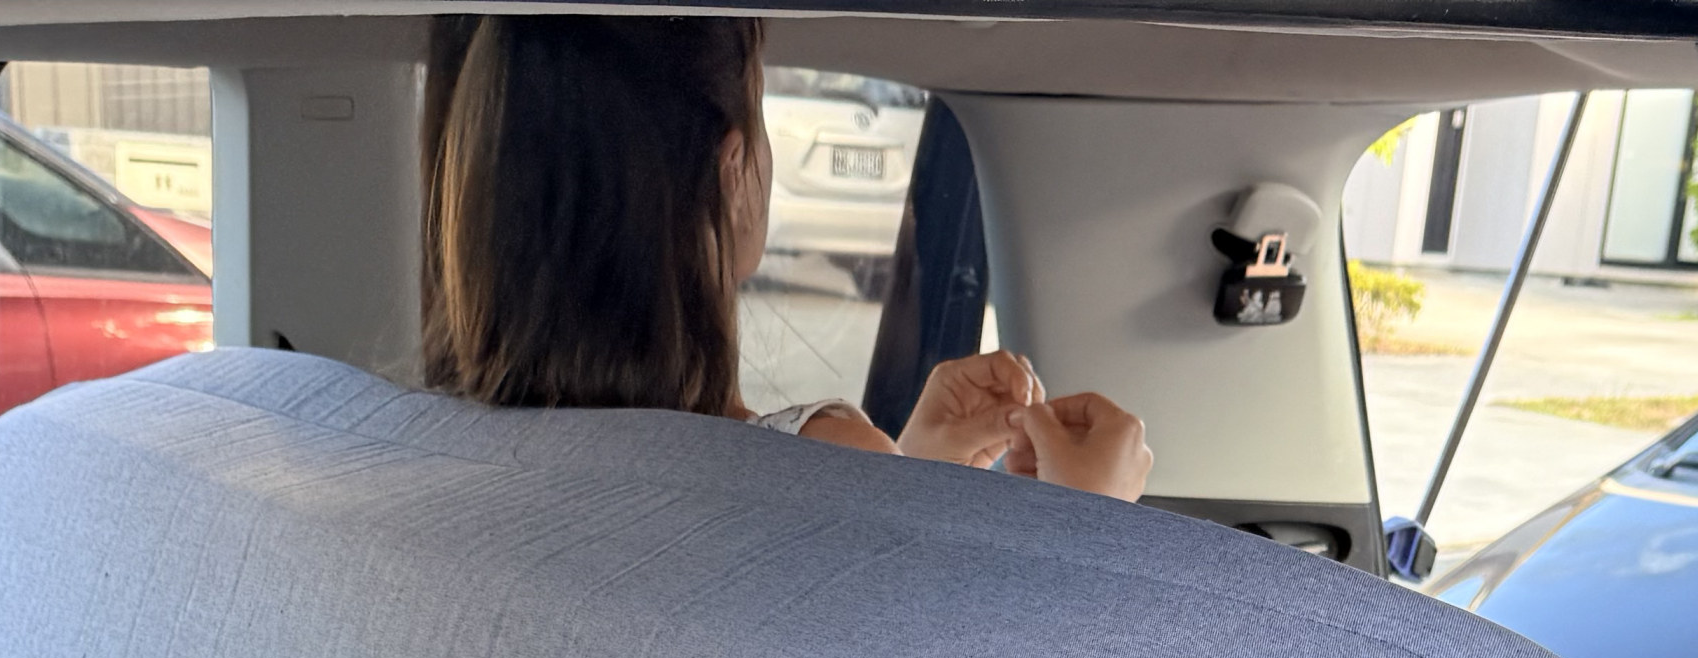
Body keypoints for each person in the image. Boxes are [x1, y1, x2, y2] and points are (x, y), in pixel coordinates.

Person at [419, 15, 1152, 500]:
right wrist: (1087, 527)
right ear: (730, 170)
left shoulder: (420, 464)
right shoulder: (819, 468)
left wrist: (906, 484)